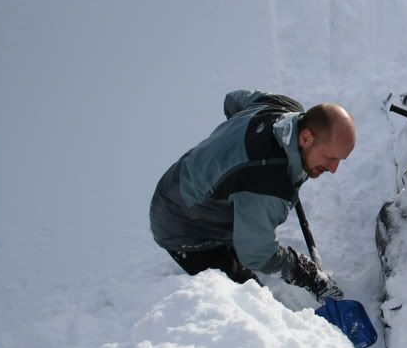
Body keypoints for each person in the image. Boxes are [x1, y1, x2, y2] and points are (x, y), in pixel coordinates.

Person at [149, 89, 355, 300]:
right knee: (252, 302)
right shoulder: (267, 182)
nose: (333, 169)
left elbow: (232, 100)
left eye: (339, 160)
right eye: (330, 158)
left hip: (181, 181)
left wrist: (236, 140)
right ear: (305, 137)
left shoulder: (283, 107)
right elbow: (257, 254)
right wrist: (304, 272)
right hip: (182, 223)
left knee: (250, 219)